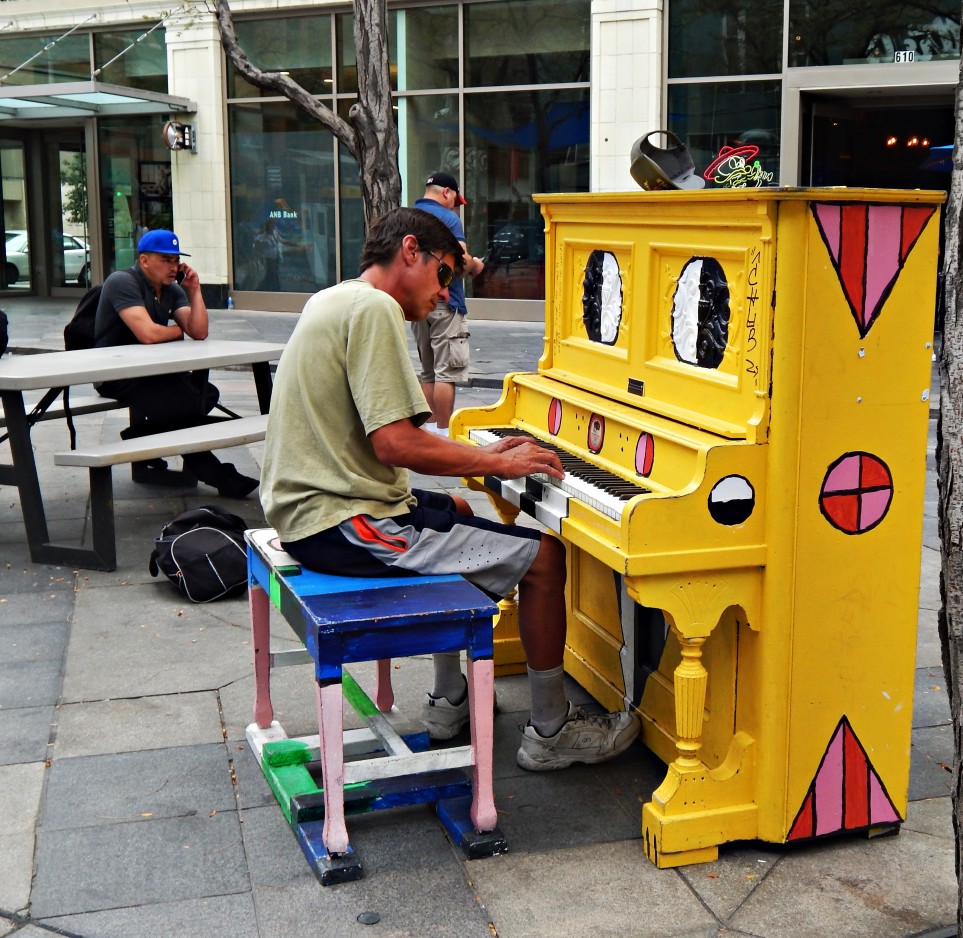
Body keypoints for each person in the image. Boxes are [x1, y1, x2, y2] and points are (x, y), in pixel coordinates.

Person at [259, 207, 639, 771]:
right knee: (544, 558)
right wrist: (492, 460)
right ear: (409, 250)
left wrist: (480, 463)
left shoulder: (335, 297)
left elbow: (394, 440)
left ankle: (449, 701)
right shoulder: (375, 309)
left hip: (317, 511)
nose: (445, 295)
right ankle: (551, 731)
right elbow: (397, 444)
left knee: (458, 506)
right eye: (445, 276)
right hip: (345, 523)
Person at [93, 229, 258, 498]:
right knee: (181, 404)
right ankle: (220, 476)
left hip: (153, 373)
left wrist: (194, 291)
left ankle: (142, 436)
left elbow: (199, 331)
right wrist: (175, 331)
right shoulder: (122, 282)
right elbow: (148, 334)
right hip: (116, 375)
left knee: (205, 393)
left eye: (175, 260)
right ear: (145, 261)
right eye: (166, 260)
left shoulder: (172, 289)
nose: (173, 267)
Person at [410, 172, 484, 437]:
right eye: (456, 200)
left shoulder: (409, 216)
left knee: (427, 372)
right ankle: (443, 434)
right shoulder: (449, 219)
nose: (456, 206)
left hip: (418, 305)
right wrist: (477, 264)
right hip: (446, 301)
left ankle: (427, 431)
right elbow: (461, 262)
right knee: (445, 373)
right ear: (447, 193)